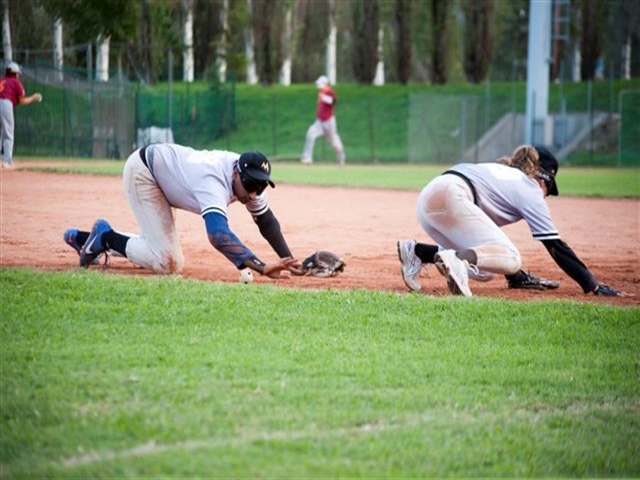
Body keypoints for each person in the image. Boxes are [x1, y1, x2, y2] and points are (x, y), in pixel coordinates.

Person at [396, 144, 631, 298]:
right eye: (549, 189)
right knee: (511, 257)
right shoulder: (530, 188)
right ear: (544, 180)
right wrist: (592, 285)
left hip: (429, 197)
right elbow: (554, 244)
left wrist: (517, 277)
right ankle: (457, 259)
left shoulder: (502, 174)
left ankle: (416, 252)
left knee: (485, 269)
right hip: (455, 195)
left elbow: (489, 243)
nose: (546, 195)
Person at [63, 144, 301, 279]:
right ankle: (104, 237)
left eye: (261, 187)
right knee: (169, 263)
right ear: (236, 174)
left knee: (156, 248)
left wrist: (288, 260)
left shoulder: (248, 179)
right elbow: (218, 235)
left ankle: (87, 240)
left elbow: (265, 221)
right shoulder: (213, 181)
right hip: (145, 173)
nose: (254, 194)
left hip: (165, 176)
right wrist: (261, 267)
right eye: (251, 185)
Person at [0, 61, 43, 168]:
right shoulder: (15, 82)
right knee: (8, 133)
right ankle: (7, 160)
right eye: (18, 73)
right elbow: (23, 101)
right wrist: (33, 98)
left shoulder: (1, 80)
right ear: (15, 73)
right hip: (5, 104)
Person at [300, 75, 345, 166]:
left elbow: (334, 101)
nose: (318, 86)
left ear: (325, 84)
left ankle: (341, 155)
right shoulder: (321, 92)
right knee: (310, 134)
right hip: (320, 121)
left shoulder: (328, 91)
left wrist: (324, 97)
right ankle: (307, 158)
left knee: (334, 141)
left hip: (329, 121)